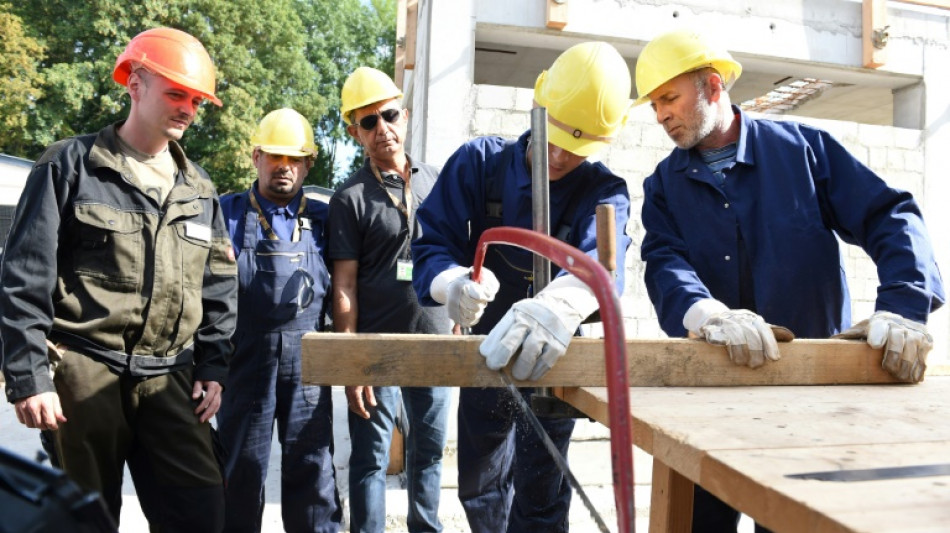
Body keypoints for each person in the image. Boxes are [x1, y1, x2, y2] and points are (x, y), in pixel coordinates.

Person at [635, 29, 945, 532]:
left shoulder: (803, 150)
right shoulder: (664, 186)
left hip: (812, 398)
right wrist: (707, 314)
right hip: (711, 394)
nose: (661, 114)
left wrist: (904, 305)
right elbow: (665, 261)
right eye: (654, 104)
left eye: (669, 97)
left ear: (713, 87)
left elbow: (889, 215)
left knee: (798, 521)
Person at [0, 26, 238, 530]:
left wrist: (214, 367)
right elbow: (25, 278)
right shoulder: (71, 166)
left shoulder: (199, 190)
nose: (188, 109)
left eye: (196, 100)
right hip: (84, 374)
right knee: (83, 519)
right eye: (176, 93)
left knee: (202, 512)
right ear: (134, 84)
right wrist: (30, 378)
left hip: (171, 378)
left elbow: (218, 286)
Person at [411, 42, 633, 532]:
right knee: (481, 485)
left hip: (554, 358)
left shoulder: (604, 192)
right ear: (537, 104)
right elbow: (431, 245)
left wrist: (563, 302)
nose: (558, 154)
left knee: (543, 496)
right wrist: (452, 286)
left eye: (577, 147)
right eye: (552, 134)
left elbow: (604, 268)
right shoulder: (477, 164)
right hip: (485, 354)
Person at [328, 66, 452, 533]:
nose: (383, 129)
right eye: (368, 122)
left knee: (430, 452)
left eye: (389, 115)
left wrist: (457, 319)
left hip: (435, 344)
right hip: (377, 349)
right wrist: (351, 359)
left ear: (403, 115)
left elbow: (455, 256)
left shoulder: (437, 181)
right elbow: (344, 285)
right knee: (371, 458)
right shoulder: (350, 197)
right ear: (355, 132)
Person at [216, 108, 342, 532]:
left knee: (312, 465)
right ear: (256, 158)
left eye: (294, 159)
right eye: (274, 157)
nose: (284, 168)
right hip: (244, 357)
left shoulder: (328, 219)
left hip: (309, 357)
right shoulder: (227, 213)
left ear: (308, 164)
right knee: (241, 466)